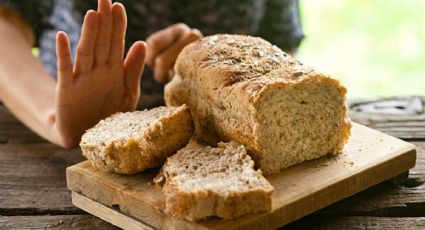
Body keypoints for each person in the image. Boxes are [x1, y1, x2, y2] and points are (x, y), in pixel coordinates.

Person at [0, 0, 303, 148]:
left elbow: (278, 50)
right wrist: (52, 116)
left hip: (216, 142)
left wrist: (212, 61)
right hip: (55, 139)